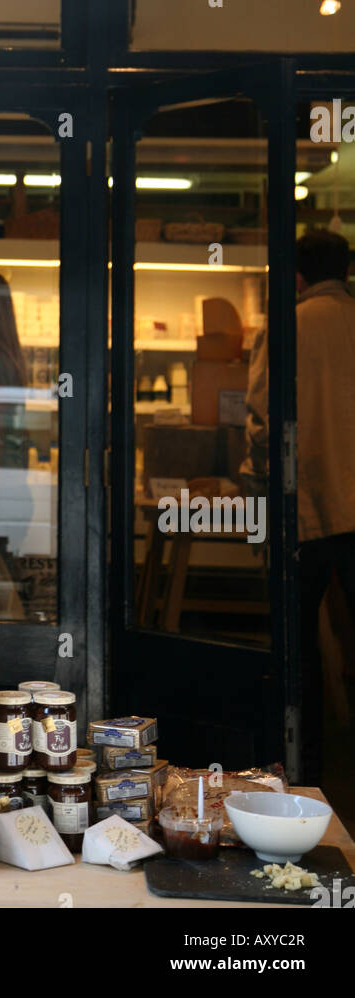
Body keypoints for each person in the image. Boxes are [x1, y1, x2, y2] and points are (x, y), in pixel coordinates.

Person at [242, 228, 355, 782]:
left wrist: (253, 477)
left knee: (298, 644)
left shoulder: (289, 325)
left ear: (297, 276)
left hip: (304, 509)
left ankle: (306, 762)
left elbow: (263, 416)